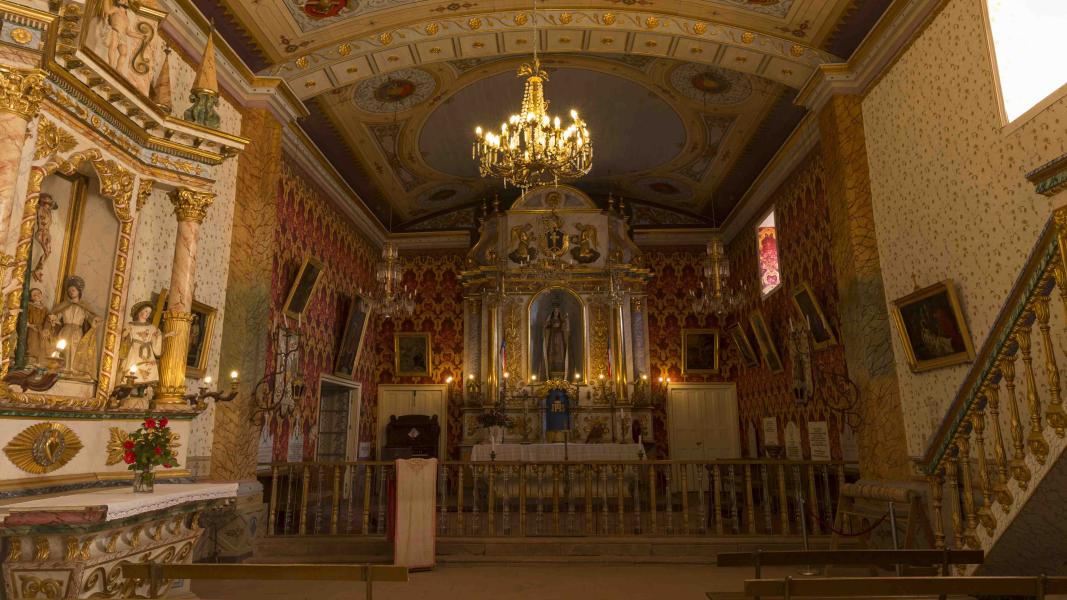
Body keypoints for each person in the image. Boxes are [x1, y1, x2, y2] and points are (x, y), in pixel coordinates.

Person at [48, 275, 100, 378]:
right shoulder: (64, 305)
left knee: (75, 349)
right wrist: (53, 318)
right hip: (65, 330)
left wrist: (94, 320)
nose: (72, 292)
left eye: (74, 290)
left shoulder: (83, 306)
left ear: (79, 291)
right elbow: (58, 315)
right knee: (64, 348)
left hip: (77, 330)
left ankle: (73, 369)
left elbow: (89, 316)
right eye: (70, 290)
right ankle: (64, 368)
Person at [120, 301, 164, 384]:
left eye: (149, 312)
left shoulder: (151, 327)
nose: (147, 314)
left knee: (147, 376)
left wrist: (165, 335)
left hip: (148, 352)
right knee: (131, 371)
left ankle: (142, 391)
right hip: (134, 351)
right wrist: (125, 333)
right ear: (140, 311)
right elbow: (123, 337)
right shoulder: (130, 325)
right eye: (146, 311)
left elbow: (158, 335)